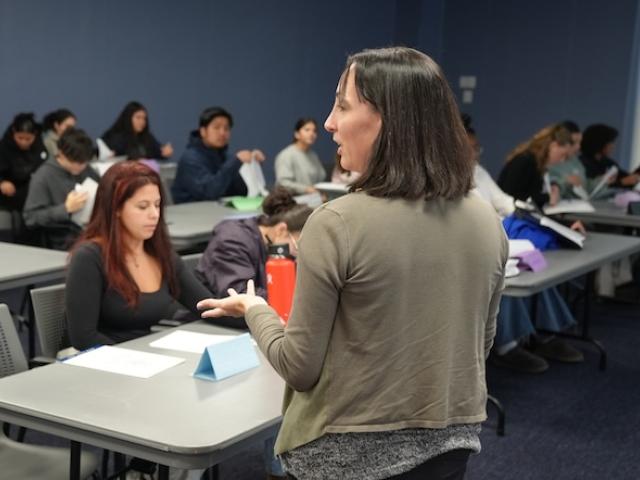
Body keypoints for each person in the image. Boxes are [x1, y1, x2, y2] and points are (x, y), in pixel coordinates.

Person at [199, 47, 508, 480]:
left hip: (344, 457)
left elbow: (299, 367)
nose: (328, 122)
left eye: (342, 106)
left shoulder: (337, 222)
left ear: (388, 119)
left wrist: (257, 312)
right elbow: (479, 343)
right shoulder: (485, 219)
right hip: (450, 446)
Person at [464, 114, 583, 373]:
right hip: (478, 242)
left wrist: (530, 215)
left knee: (537, 269)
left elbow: (505, 201)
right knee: (508, 274)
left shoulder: (478, 172)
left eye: (477, 149)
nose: (475, 154)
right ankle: (508, 344)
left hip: (498, 234)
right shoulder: (445, 176)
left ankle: (545, 333)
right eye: (469, 149)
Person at [66, 161, 211, 350]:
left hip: (145, 362)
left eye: (157, 205)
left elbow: (208, 307)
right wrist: (140, 360)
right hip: (105, 367)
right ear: (116, 209)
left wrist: (255, 317)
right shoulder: (89, 257)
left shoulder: (160, 254)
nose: (154, 215)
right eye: (143, 207)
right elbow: (84, 338)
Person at [23, 128, 100, 250]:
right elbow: (31, 218)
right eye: (75, 162)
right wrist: (65, 209)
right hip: (64, 240)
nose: (80, 167)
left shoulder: (86, 169)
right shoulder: (43, 176)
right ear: (61, 154)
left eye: (84, 162)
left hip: (93, 232)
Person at [172, 106, 265, 203]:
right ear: (203, 131)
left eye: (226, 128)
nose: (222, 133)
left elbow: (241, 192)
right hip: (192, 213)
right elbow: (209, 193)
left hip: (219, 211)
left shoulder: (226, 157)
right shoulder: (190, 159)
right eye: (216, 127)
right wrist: (234, 163)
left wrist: (251, 164)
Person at [498, 124, 573, 209]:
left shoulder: (537, 162)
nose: (562, 160)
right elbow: (512, 196)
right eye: (563, 155)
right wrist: (547, 197)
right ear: (553, 146)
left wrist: (553, 187)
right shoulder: (525, 161)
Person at [0, 113, 48, 214]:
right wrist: (2, 182)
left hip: (32, 193)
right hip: (8, 193)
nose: (24, 142)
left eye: (28, 139)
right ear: (13, 132)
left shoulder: (40, 147)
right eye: (20, 138)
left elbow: (45, 170)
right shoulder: (4, 147)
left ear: (35, 135)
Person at [101, 101, 173, 160]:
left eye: (144, 118)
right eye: (138, 118)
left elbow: (158, 151)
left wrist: (165, 151)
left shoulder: (147, 137)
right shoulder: (116, 138)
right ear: (128, 118)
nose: (142, 122)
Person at [579, 124, 640, 188]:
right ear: (600, 143)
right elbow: (590, 189)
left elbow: (628, 180)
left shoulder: (608, 163)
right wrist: (621, 183)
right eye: (610, 142)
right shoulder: (582, 164)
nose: (612, 146)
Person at [275, 119, 325, 194]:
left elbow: (321, 177)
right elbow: (283, 183)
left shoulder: (313, 155)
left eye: (314, 131)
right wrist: (306, 189)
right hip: (293, 201)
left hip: (313, 198)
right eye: (307, 130)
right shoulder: (286, 155)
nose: (311, 133)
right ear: (297, 134)